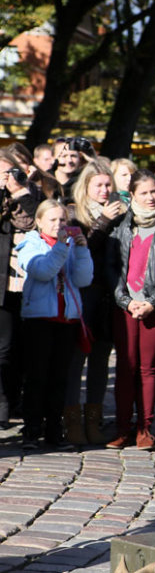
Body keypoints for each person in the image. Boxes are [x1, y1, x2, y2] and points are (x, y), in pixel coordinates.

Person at [105, 170, 155, 451]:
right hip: (124, 306)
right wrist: (126, 301)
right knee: (125, 368)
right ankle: (122, 429)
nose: (152, 197)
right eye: (145, 193)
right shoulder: (121, 224)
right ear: (133, 194)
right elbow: (112, 268)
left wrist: (152, 301)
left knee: (148, 368)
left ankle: (145, 429)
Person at [17, 200, 93, 449]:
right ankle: (31, 431)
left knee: (59, 378)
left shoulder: (70, 246)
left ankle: (54, 432)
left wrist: (81, 251)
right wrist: (61, 247)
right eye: (52, 220)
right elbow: (43, 271)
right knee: (37, 377)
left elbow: (83, 279)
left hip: (66, 319)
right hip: (39, 320)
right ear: (39, 222)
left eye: (62, 220)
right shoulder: (31, 244)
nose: (58, 225)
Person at [65, 159, 126, 445]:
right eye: (98, 185)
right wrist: (103, 221)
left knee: (101, 359)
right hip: (81, 295)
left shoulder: (119, 212)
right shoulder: (73, 213)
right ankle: (72, 421)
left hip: (107, 296)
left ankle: (94, 419)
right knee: (76, 359)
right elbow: (81, 251)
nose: (104, 190)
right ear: (85, 186)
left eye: (107, 184)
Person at [0, 152, 42, 428]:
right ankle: (3, 408)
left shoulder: (31, 193)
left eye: (10, 172)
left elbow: (38, 218)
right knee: (2, 349)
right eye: (3, 173)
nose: (7, 178)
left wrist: (21, 191)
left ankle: (15, 403)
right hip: (2, 285)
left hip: (26, 284)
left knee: (20, 350)